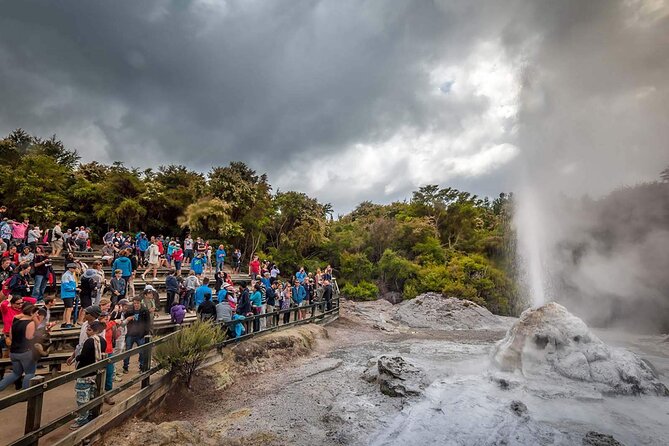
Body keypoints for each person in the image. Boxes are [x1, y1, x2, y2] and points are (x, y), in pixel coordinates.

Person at [71, 320, 107, 429]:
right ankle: (92, 414)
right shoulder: (103, 340)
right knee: (91, 395)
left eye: (89, 329)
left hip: (85, 372)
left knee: (82, 398)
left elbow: (84, 356)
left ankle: (83, 419)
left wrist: (77, 358)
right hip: (95, 372)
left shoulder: (89, 341)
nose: (87, 331)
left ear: (95, 331)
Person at [0, 305, 42, 390]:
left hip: (14, 352)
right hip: (25, 352)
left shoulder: (15, 323)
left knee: (16, 373)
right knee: (30, 373)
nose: (37, 315)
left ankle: (0, 386)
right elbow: (29, 337)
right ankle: (25, 393)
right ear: (31, 313)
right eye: (36, 313)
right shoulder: (30, 323)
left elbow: (11, 337)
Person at [122, 297, 150, 374]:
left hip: (140, 334)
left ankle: (141, 366)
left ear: (140, 303)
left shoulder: (144, 311)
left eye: (137, 303)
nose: (136, 305)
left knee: (142, 352)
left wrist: (145, 333)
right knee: (128, 351)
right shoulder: (130, 311)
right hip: (130, 334)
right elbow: (125, 317)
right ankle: (125, 367)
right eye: (134, 303)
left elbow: (147, 323)